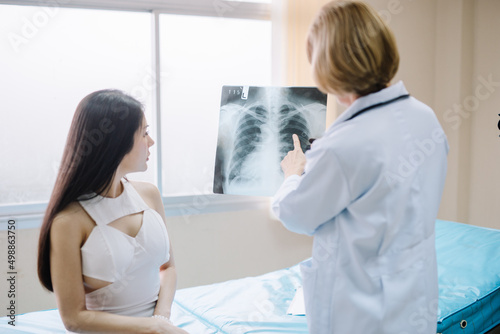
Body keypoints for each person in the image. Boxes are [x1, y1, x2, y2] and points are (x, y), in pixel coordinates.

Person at [272, 1, 448, 333]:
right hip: (414, 304)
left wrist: (293, 175)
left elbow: (295, 214)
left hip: (361, 315)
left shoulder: (344, 146)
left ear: (330, 66)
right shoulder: (425, 117)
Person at [37, 90, 189, 334]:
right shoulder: (69, 221)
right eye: (144, 133)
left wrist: (161, 319)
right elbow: (74, 319)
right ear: (116, 143)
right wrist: (151, 328)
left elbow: (168, 268)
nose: (151, 142)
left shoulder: (149, 194)